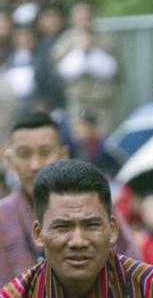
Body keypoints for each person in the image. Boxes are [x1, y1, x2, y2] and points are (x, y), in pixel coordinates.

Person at [0, 159, 153, 297]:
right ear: (38, 234)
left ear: (113, 229)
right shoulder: (15, 296)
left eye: (91, 225)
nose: (78, 241)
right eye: (63, 227)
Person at [0, 112, 140, 284]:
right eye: (24, 154)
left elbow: (133, 271)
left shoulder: (94, 204)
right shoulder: (2, 217)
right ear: (10, 160)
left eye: (45, 153)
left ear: (63, 154)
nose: (34, 165)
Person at [51, 0, 120, 133]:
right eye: (79, 13)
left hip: (103, 101)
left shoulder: (107, 39)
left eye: (87, 13)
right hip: (78, 101)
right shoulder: (65, 41)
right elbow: (57, 70)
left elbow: (117, 70)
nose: (83, 17)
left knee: (103, 141)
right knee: (79, 141)